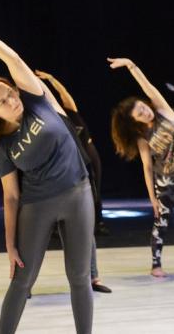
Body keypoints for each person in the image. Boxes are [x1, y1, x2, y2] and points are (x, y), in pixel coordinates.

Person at [0, 26, 93, 334]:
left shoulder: (35, 100)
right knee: (21, 280)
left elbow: (14, 58)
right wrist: (10, 245)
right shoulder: (1, 146)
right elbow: (10, 196)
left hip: (78, 193)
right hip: (37, 205)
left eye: (10, 92)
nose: (12, 100)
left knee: (79, 277)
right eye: (3, 102)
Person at [108, 58, 174, 278]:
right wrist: (152, 197)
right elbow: (147, 167)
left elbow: (148, 87)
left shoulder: (164, 111)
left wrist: (132, 66)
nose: (145, 112)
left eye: (143, 108)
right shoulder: (143, 137)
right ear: (135, 121)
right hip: (166, 178)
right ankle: (156, 264)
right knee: (162, 221)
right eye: (139, 114)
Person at [34, 71, 112, 293]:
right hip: (60, 176)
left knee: (86, 227)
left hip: (85, 168)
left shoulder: (69, 116)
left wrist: (50, 80)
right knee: (36, 235)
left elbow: (62, 96)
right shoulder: (46, 123)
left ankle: (94, 278)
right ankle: (25, 283)